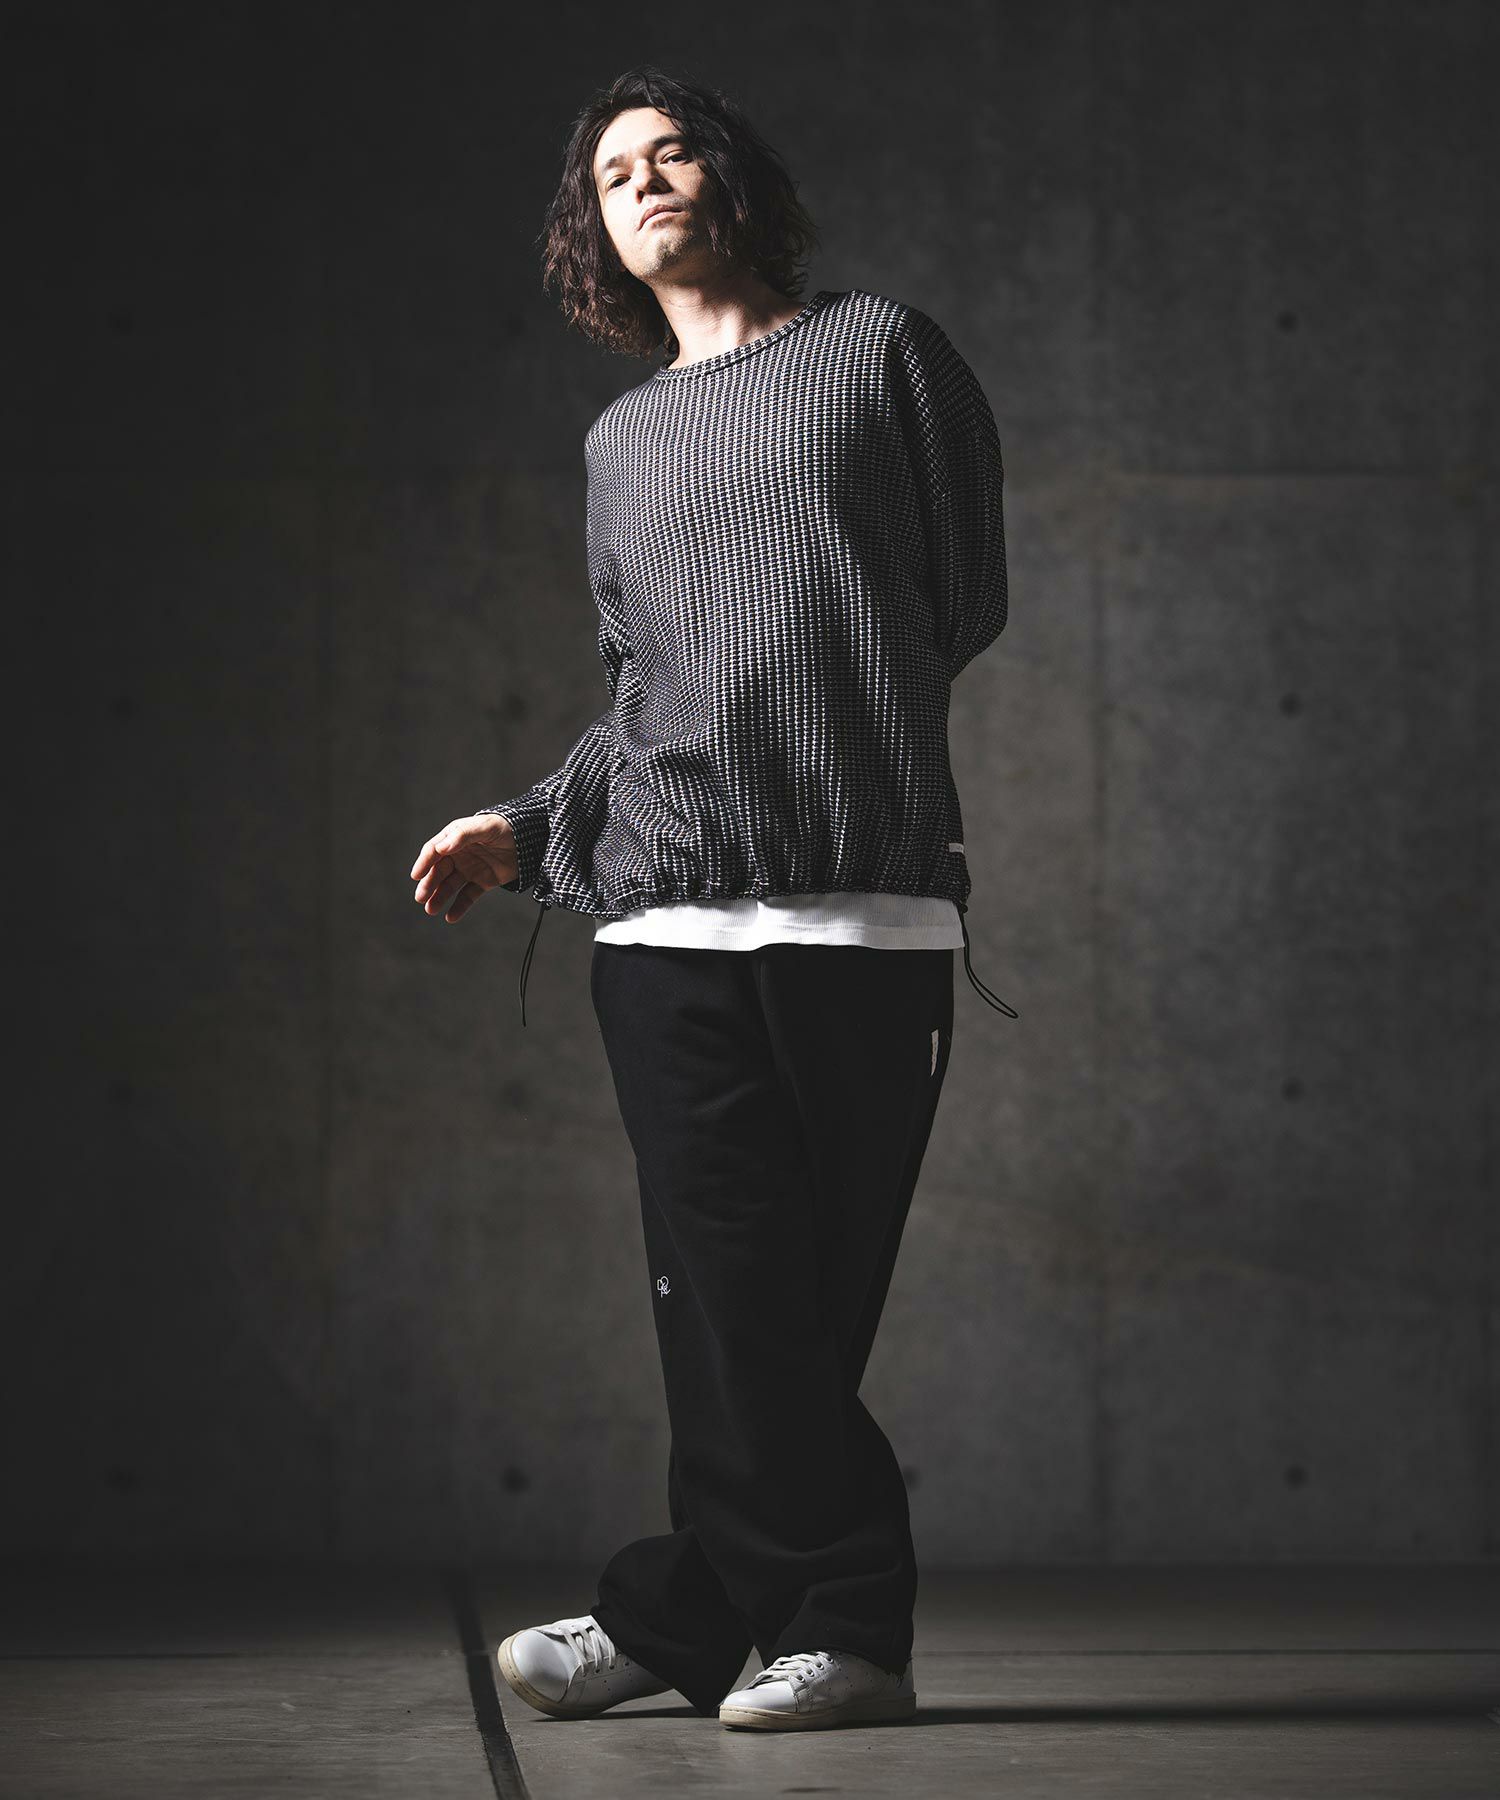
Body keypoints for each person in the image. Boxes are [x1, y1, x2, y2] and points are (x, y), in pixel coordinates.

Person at [409, 65, 1016, 1733]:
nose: (650, 179)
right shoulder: (619, 442)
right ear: (595, 235)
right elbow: (642, 696)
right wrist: (525, 826)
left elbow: (960, 597)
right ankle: (841, 1633)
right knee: (723, 1307)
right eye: (616, 173)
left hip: (863, 916)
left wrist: (825, 728)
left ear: (734, 181)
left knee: (792, 1318)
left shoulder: (880, 352)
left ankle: (679, 1615)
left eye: (676, 152)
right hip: (664, 930)